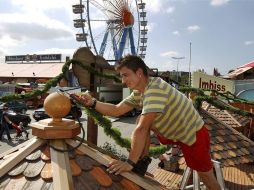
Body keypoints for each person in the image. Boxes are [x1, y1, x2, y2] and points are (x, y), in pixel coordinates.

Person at [79, 55, 221, 190]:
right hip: (176, 132)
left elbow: (142, 129)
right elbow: (117, 110)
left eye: (125, 75)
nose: (123, 80)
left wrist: (129, 163)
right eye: (121, 76)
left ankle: (137, 162)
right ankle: (142, 161)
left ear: (139, 73)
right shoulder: (140, 91)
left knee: (206, 176)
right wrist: (92, 103)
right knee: (141, 118)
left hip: (193, 136)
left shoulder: (155, 90)